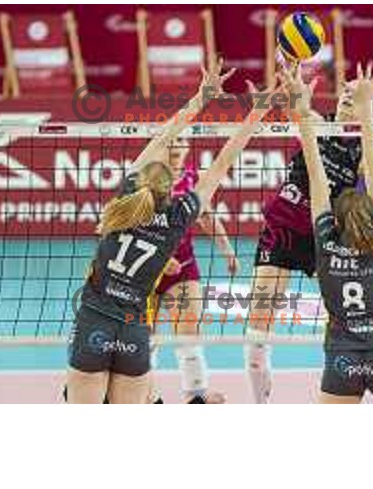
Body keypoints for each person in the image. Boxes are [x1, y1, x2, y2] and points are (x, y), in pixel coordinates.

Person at [66, 58, 268, 403]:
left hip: (94, 321)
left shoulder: (126, 197)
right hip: (133, 329)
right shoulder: (179, 217)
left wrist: (201, 97)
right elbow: (223, 162)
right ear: (170, 188)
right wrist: (258, 112)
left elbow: (164, 135)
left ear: (142, 179)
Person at [284, 62, 373, 404]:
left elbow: (318, 178)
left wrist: (301, 111)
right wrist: (366, 111)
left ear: (334, 221)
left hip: (341, 360)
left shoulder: (327, 245)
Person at [149, 137, 240, 404]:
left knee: (189, 330)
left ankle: (195, 394)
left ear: (187, 147)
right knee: (144, 336)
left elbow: (206, 217)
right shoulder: (147, 179)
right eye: (171, 139)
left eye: (181, 139)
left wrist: (227, 250)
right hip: (146, 269)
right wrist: (161, 259)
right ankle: (144, 392)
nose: (176, 144)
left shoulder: (192, 179)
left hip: (184, 268)